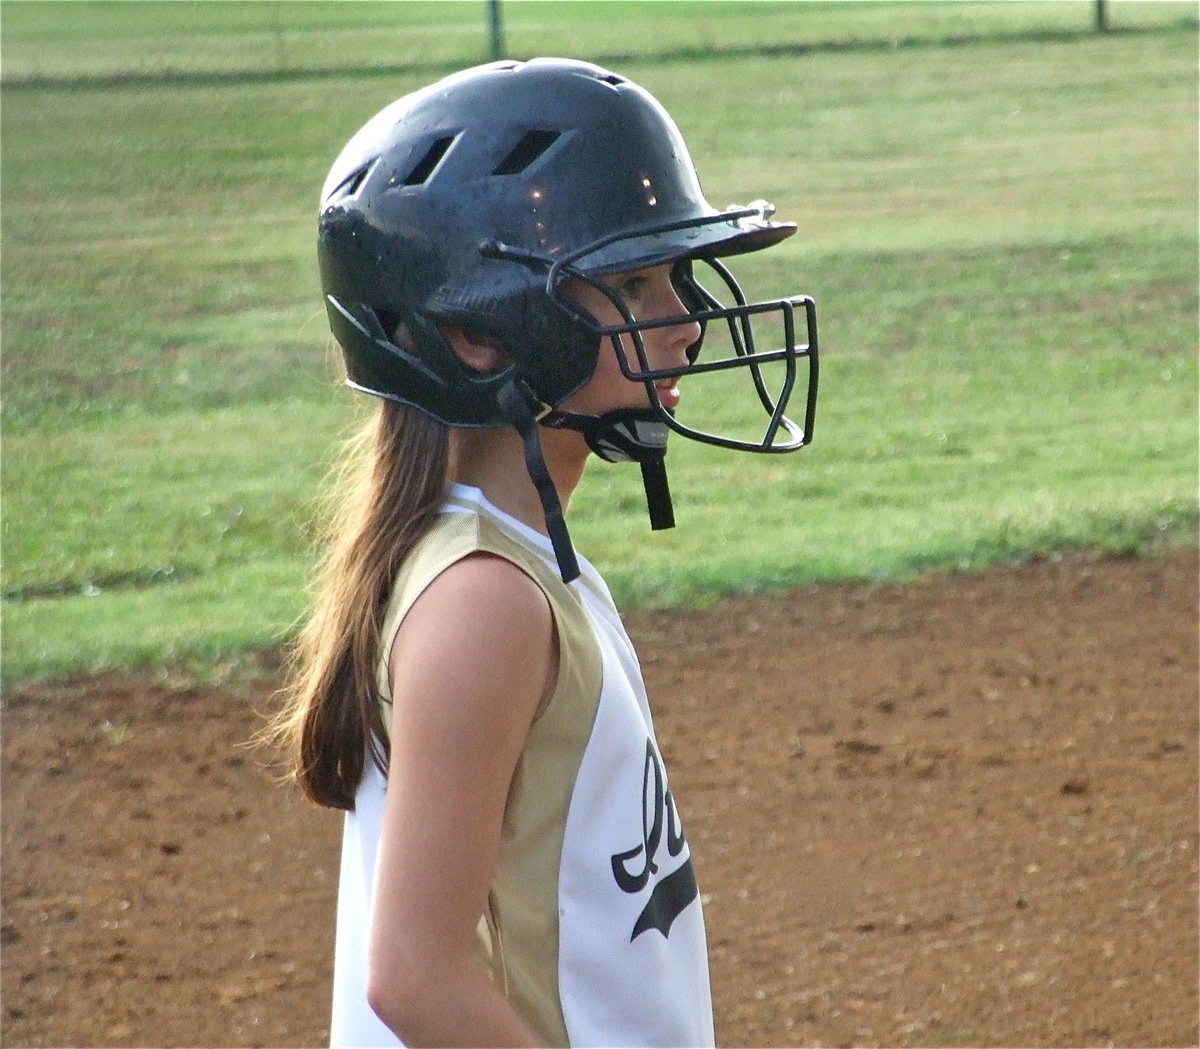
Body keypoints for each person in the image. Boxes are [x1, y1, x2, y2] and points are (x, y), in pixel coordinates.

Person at [270, 57, 818, 1047]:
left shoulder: (508, 562)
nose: (687, 323)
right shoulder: (484, 601)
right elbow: (415, 977)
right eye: (633, 283)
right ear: (483, 335)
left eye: (674, 278)